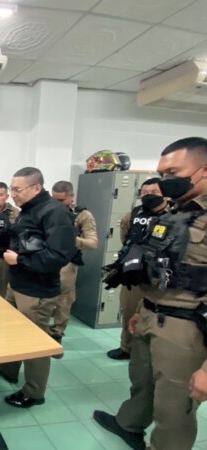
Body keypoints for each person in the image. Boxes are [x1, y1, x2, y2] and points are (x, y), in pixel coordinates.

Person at [94, 137, 207, 450]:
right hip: (149, 316)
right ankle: (129, 424)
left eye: (173, 173)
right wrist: (141, 311)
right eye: (161, 173)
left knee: (174, 407)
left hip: (186, 329)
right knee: (141, 383)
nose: (164, 181)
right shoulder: (174, 213)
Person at [0, 167, 76, 408]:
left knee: (35, 343)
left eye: (17, 189)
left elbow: (58, 255)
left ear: (36, 187)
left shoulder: (54, 212)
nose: (13, 194)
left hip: (37, 291)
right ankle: (9, 369)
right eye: (11, 189)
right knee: (13, 333)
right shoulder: (28, 209)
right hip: (18, 284)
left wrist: (19, 260)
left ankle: (34, 392)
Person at [106, 178, 168, 360]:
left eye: (154, 192)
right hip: (135, 273)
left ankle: (152, 352)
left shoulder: (174, 216)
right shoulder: (132, 215)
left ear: (165, 194)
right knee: (129, 310)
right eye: (145, 193)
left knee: (158, 316)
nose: (149, 196)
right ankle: (126, 347)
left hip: (162, 276)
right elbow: (126, 239)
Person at [50, 181, 98, 353]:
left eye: (61, 200)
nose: (57, 204)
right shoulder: (46, 210)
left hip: (66, 263)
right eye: (54, 199)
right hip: (44, 260)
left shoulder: (82, 215)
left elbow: (93, 243)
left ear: (71, 197)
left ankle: (57, 333)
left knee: (64, 300)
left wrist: (70, 238)